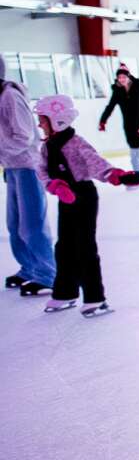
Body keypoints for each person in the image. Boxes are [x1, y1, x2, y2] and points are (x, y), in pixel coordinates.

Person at [32, 95, 139, 318]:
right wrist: (54, 185)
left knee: (84, 247)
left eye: (43, 120)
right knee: (64, 247)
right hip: (65, 197)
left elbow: (95, 163)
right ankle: (65, 293)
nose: (39, 125)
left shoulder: (76, 143)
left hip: (83, 196)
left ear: (57, 120)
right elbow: (41, 171)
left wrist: (117, 176)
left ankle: (95, 298)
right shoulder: (47, 146)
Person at [1, 57, 55, 297]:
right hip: (12, 166)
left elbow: (24, 136)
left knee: (32, 224)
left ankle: (48, 274)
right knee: (14, 224)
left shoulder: (10, 97)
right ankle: (30, 268)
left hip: (27, 166)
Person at [99, 64, 139, 185]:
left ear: (128, 76)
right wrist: (103, 120)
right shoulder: (118, 91)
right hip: (128, 125)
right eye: (119, 77)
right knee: (133, 153)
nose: (121, 79)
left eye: (123, 77)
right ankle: (138, 176)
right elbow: (110, 106)